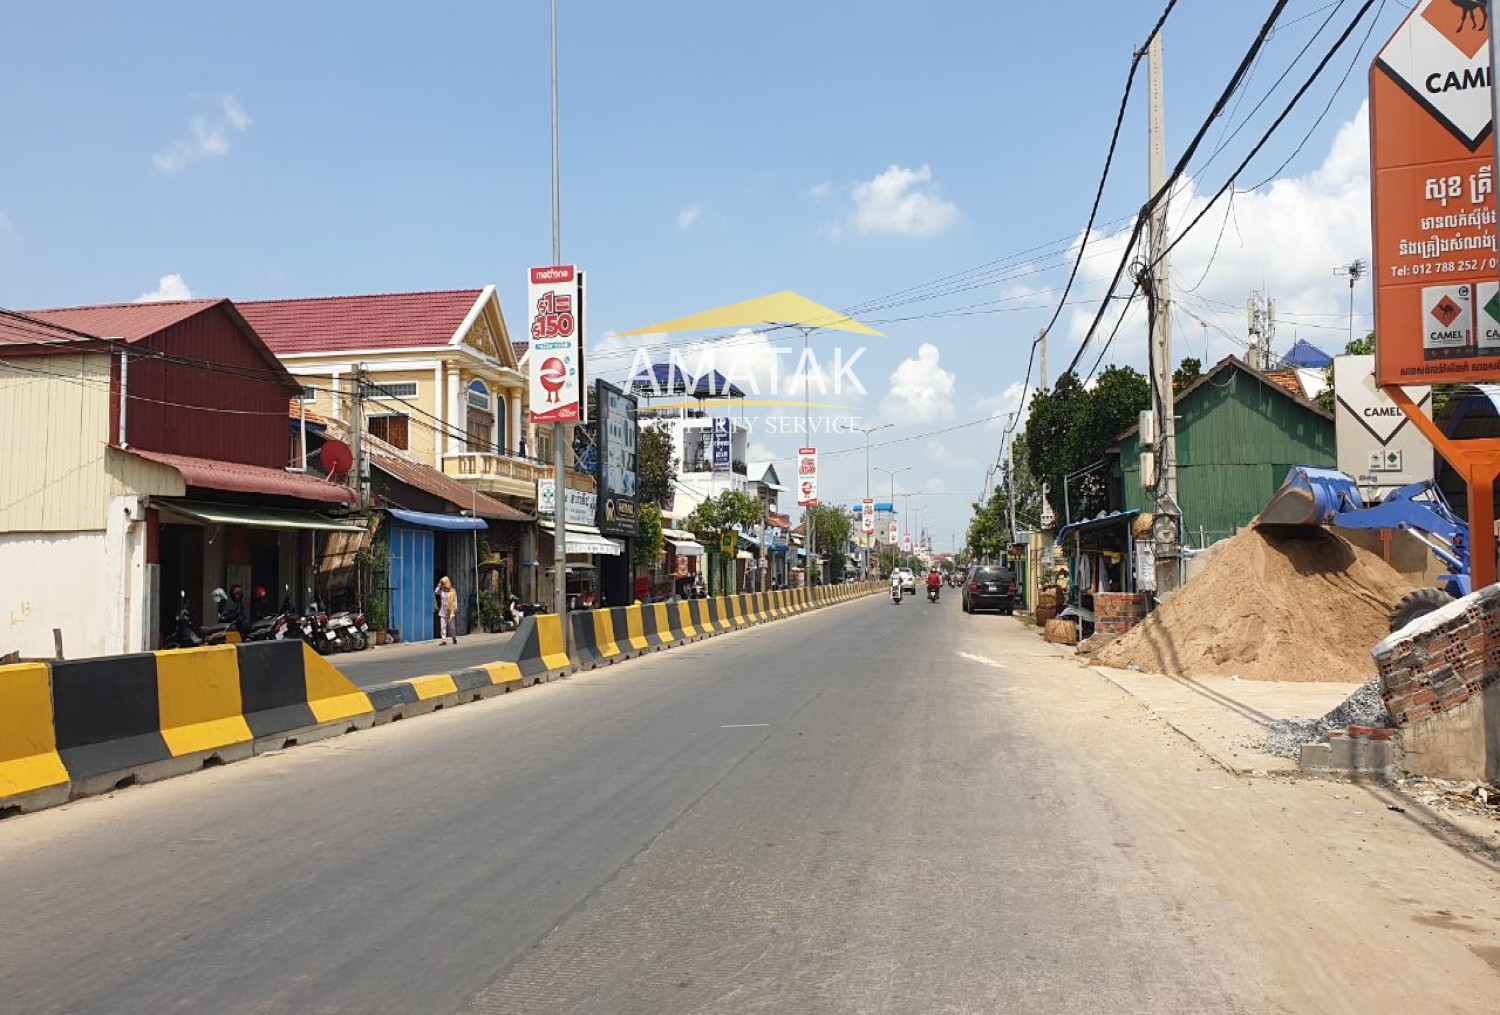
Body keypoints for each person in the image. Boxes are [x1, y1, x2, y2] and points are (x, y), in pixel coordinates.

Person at [434, 575, 458, 644]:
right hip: (443, 611)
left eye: (443, 583)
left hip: (450, 611)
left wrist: (455, 608)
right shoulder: (442, 591)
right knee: (442, 626)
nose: (443, 584)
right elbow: (436, 592)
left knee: (452, 626)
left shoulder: (452, 591)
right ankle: (444, 640)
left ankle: (454, 637)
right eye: (442, 583)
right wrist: (439, 585)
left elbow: (455, 600)